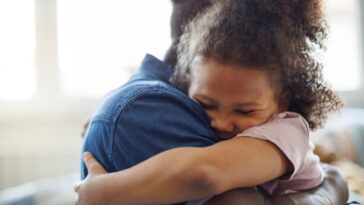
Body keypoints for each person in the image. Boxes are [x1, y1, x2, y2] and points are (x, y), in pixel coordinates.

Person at [76, 0, 349, 204]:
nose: (220, 122)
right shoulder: (155, 98)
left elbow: (203, 172)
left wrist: (102, 191)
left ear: (282, 102)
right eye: (205, 104)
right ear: (186, 84)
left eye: (244, 110)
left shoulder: (287, 132)